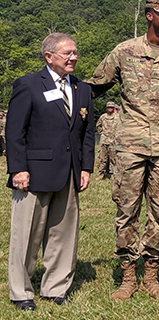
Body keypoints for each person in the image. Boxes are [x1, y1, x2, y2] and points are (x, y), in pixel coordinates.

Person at [86, 0, 159, 300]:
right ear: (149, 15)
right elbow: (94, 87)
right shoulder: (125, 51)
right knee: (126, 210)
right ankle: (127, 276)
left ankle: (151, 274)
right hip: (129, 144)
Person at [5, 33, 95, 310]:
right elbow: (14, 132)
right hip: (33, 173)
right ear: (49, 56)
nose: (74, 58)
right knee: (27, 235)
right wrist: (18, 169)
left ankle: (56, 287)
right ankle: (21, 292)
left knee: (64, 234)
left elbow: (87, 132)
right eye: (67, 53)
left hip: (69, 172)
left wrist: (86, 167)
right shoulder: (28, 85)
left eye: (75, 52)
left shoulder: (82, 89)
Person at [95, 101, 119, 180]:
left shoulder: (117, 117)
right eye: (108, 107)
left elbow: (121, 127)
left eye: (111, 107)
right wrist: (102, 133)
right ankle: (101, 173)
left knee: (113, 158)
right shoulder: (103, 117)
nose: (110, 109)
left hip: (113, 140)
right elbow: (98, 125)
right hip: (104, 140)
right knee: (103, 158)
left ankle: (112, 173)